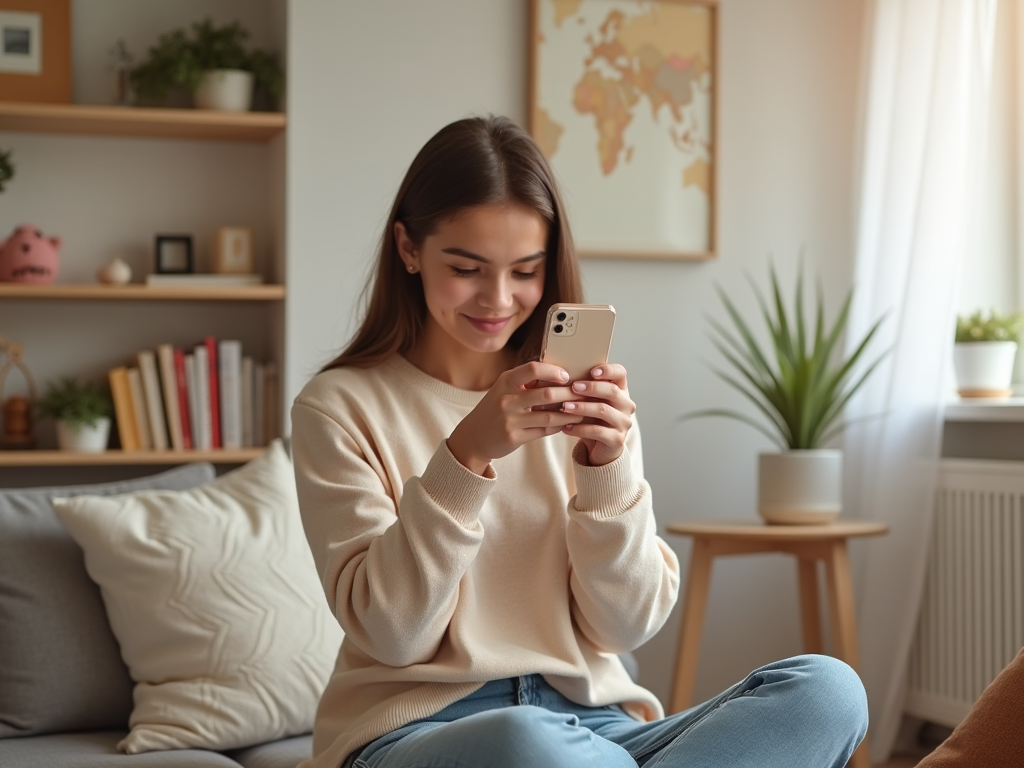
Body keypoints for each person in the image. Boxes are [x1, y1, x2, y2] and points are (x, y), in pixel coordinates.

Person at [290, 115, 868, 768]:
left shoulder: (586, 403)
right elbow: (392, 633)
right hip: (424, 732)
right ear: (409, 248)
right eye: (467, 268)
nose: (499, 299)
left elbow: (624, 628)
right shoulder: (337, 407)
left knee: (827, 692)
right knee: (529, 744)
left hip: (596, 728)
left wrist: (606, 471)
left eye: (526, 271)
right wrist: (465, 457)